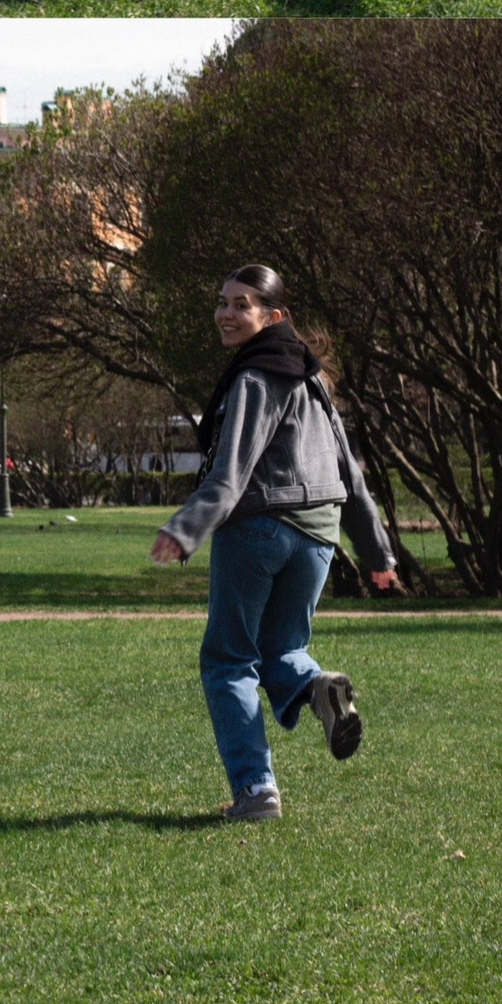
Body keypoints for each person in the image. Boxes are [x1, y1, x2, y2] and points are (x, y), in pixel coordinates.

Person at [151, 265, 401, 823]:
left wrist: (186, 527)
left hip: (259, 528)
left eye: (242, 304)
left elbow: (230, 473)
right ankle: (320, 688)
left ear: (274, 317)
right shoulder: (314, 381)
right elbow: (352, 477)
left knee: (227, 661)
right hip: (319, 536)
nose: (226, 313)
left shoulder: (255, 378)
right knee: (281, 650)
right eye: (222, 301)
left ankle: (257, 791)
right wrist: (377, 554)